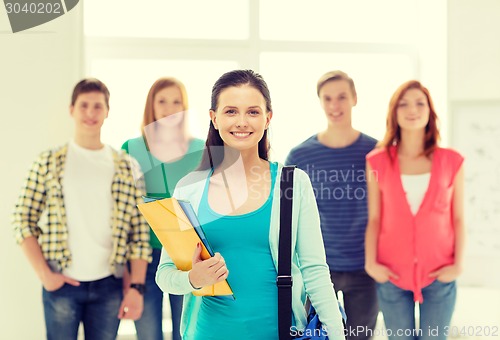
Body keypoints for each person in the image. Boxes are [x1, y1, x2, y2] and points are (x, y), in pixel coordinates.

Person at [155, 69, 346, 340]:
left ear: (268, 118)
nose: (242, 122)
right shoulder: (189, 188)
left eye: (253, 112)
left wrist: (338, 336)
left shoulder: (292, 184)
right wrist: (193, 279)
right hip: (207, 333)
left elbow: (315, 271)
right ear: (214, 118)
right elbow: (164, 275)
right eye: (231, 111)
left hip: (277, 333)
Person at [12, 78, 151, 340]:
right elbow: (21, 219)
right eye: (84, 105)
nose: (90, 113)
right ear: (72, 109)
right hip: (61, 283)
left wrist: (136, 288)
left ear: (107, 111)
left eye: (97, 106)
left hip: (110, 284)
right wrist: (45, 275)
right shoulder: (49, 162)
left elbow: (139, 233)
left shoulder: (126, 166)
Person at [365, 80, 465, 340]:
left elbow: (458, 218)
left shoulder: (452, 161)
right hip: (391, 273)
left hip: (439, 272)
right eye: (404, 103)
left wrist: (458, 265)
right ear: (394, 112)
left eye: (420, 103)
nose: (412, 109)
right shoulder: (376, 160)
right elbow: (374, 217)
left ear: (430, 112)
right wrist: (371, 263)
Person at [285, 70, 379, 340]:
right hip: (316, 268)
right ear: (320, 102)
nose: (334, 105)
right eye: (327, 98)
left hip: (365, 269)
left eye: (341, 97)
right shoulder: (300, 155)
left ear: (355, 99)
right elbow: (288, 216)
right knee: (312, 336)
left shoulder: (376, 152)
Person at [122, 77, 204, 340]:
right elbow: (124, 211)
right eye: (162, 101)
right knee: (148, 335)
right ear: (151, 106)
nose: (170, 108)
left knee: (187, 333)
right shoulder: (131, 149)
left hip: (187, 257)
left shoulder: (201, 149)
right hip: (143, 259)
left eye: (176, 102)